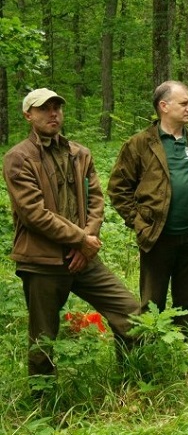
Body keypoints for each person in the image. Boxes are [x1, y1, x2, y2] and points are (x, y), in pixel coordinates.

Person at [2, 88, 139, 383]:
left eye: (57, 108)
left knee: (131, 313)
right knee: (43, 338)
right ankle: (43, 404)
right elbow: (33, 213)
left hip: (83, 258)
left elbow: (95, 201)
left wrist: (86, 244)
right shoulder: (19, 158)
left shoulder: (79, 153)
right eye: (44, 109)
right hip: (41, 261)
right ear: (28, 115)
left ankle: (131, 380)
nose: (53, 113)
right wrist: (81, 240)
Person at [108, 81, 188, 337]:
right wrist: (139, 221)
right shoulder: (139, 144)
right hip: (157, 237)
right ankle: (151, 349)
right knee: (152, 302)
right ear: (164, 106)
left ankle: (182, 346)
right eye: (184, 103)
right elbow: (118, 189)